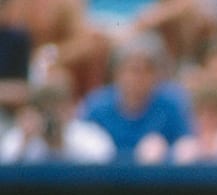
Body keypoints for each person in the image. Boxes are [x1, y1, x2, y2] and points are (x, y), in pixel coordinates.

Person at [77, 30, 195, 163]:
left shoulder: (173, 103)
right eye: (133, 70)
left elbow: (187, 145)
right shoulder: (97, 106)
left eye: (147, 70)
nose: (139, 78)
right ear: (117, 73)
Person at [1, 79, 116, 162]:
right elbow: (6, 169)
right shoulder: (19, 137)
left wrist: (61, 144)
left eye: (58, 109)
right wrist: (25, 143)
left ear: (70, 109)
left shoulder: (89, 135)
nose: (53, 116)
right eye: (46, 110)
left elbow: (104, 163)